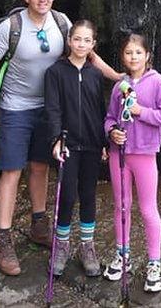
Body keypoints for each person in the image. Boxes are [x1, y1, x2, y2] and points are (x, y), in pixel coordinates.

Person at [0, 0, 118, 276]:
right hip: (15, 107)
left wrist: (119, 77)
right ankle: (4, 239)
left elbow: (89, 55)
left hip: (52, 109)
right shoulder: (10, 27)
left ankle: (39, 224)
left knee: (40, 165)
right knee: (12, 170)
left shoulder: (61, 22)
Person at [103, 33, 161, 293]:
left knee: (147, 208)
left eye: (137, 52)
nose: (133, 57)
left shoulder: (158, 83)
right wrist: (112, 132)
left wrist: (140, 112)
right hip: (119, 154)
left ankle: (154, 263)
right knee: (121, 206)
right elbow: (110, 117)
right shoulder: (118, 86)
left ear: (147, 56)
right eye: (128, 53)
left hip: (144, 154)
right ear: (122, 57)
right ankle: (123, 255)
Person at [44, 20, 107, 278]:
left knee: (89, 194)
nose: (81, 44)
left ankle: (87, 246)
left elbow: (101, 110)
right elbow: (52, 108)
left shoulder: (95, 74)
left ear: (93, 45)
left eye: (86, 40)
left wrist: (104, 143)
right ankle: (61, 245)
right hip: (68, 144)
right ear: (69, 41)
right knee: (67, 194)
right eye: (77, 39)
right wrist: (56, 139)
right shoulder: (55, 72)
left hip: (92, 144)